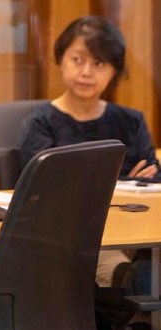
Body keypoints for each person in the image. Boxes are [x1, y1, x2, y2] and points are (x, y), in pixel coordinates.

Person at [18, 15, 158, 291]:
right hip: (70, 237)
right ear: (60, 60)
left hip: (136, 233)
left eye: (99, 64)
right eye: (77, 60)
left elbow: (152, 180)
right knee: (129, 272)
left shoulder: (131, 121)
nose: (86, 72)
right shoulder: (40, 123)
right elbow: (44, 190)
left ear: (114, 71)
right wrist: (125, 182)